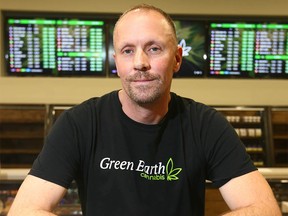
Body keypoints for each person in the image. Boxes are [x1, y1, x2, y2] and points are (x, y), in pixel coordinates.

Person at [8, 4, 281, 216]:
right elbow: (24, 210)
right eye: (128, 51)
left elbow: (265, 209)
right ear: (117, 62)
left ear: (176, 59)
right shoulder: (79, 124)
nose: (140, 63)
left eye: (153, 48)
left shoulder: (206, 124)